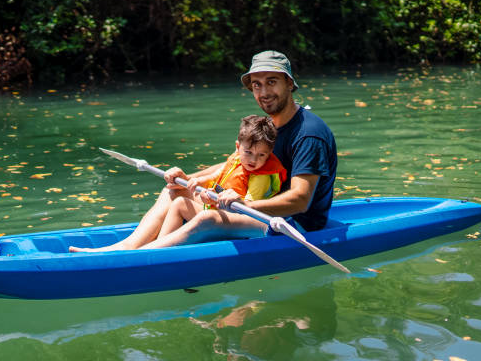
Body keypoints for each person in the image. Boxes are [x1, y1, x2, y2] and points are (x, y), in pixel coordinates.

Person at [69, 50, 337, 252]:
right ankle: (126, 249)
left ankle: (135, 261)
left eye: (271, 82)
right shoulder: (267, 125)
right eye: (256, 84)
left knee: (208, 218)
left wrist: (246, 204)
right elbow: (236, 164)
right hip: (253, 208)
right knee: (174, 190)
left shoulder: (308, 134)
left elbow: (301, 201)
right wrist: (191, 179)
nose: (263, 91)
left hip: (296, 225)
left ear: (289, 83)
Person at [70, 115, 286, 251]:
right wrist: (192, 182)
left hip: (247, 219)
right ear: (237, 147)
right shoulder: (239, 158)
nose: (254, 160)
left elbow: (248, 208)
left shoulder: (261, 176)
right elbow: (219, 175)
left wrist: (222, 199)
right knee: (178, 198)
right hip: (222, 207)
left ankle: (149, 254)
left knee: (200, 212)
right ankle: (147, 249)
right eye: (249, 153)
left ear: (269, 154)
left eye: (261, 156)